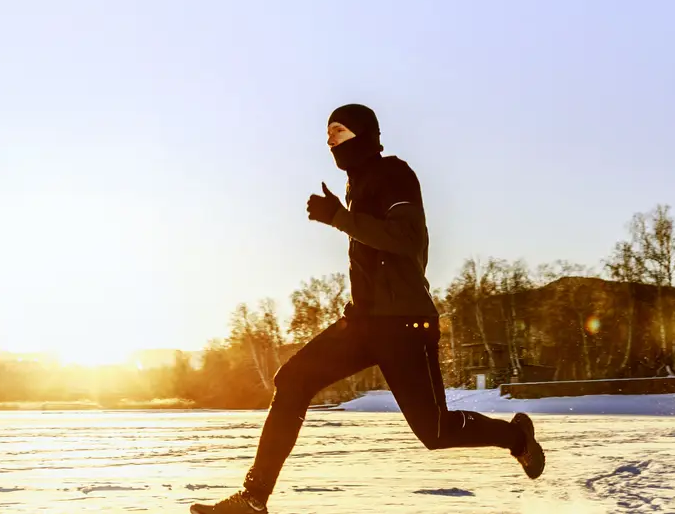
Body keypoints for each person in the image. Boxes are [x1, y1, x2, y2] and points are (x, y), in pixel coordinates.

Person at [190, 103, 545, 514]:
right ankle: (254, 499)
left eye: (337, 131)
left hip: (405, 325)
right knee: (292, 381)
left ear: (363, 134)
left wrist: (339, 217)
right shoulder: (356, 186)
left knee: (434, 432)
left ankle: (516, 437)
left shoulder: (395, 175)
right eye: (327, 134)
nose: (330, 141)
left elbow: (405, 238)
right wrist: (344, 220)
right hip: (364, 323)